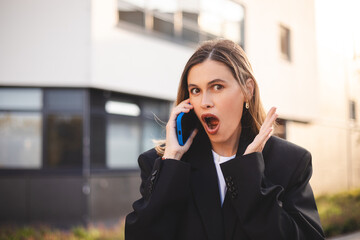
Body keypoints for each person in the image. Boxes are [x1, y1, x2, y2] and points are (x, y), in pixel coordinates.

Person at [125, 39, 325, 240]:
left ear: (248, 90)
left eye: (217, 87)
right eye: (196, 90)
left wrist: (249, 178)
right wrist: (171, 162)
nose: (205, 102)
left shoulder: (290, 162)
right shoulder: (162, 164)